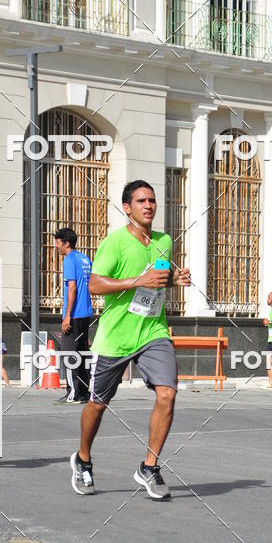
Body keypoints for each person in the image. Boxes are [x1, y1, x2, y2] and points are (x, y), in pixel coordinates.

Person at [69, 180, 191, 499]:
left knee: (167, 394)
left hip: (153, 331)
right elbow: (94, 285)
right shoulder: (114, 242)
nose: (149, 205)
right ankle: (83, 460)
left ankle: (149, 467)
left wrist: (175, 280)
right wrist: (138, 280)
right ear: (127, 207)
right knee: (97, 405)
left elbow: (159, 282)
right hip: (116, 336)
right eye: (141, 201)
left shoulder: (164, 240)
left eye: (152, 200)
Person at [53, 227, 92, 404]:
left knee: (69, 354)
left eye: (58, 243)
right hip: (86, 314)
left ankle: (74, 393)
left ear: (66, 243)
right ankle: (84, 392)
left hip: (74, 314)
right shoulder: (85, 259)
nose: (56, 247)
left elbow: (73, 288)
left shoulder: (69, 260)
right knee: (83, 353)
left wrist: (67, 315)